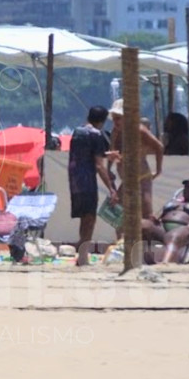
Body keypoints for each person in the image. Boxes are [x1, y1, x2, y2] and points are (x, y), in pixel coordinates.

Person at [67, 105, 115, 266]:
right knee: (90, 218)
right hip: (88, 180)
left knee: (84, 217)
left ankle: (82, 254)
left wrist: (107, 154)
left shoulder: (77, 131)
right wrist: (111, 188)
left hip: (74, 179)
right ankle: (82, 254)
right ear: (102, 121)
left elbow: (86, 153)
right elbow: (99, 165)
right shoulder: (97, 134)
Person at [108, 99, 165, 219]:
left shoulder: (140, 130)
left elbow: (159, 147)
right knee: (114, 213)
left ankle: (148, 235)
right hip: (126, 178)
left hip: (141, 176)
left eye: (118, 118)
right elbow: (114, 152)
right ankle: (121, 237)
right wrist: (110, 166)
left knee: (146, 214)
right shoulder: (115, 132)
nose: (115, 121)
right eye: (114, 118)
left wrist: (159, 170)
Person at [142, 177, 189, 264]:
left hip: (186, 230)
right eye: (186, 187)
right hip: (163, 230)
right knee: (143, 224)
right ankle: (144, 259)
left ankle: (166, 263)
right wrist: (154, 220)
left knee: (174, 235)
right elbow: (159, 217)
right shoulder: (174, 202)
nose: (186, 189)